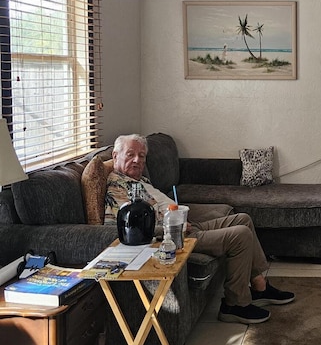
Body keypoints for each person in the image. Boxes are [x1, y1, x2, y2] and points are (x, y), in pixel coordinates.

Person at [104, 134, 294, 324]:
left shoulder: (138, 180)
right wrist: (172, 226)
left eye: (142, 156)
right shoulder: (118, 187)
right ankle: (235, 305)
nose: (137, 160)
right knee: (240, 235)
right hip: (172, 238)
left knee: (244, 219)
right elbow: (133, 229)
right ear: (115, 156)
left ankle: (260, 286)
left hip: (184, 227)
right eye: (130, 155)